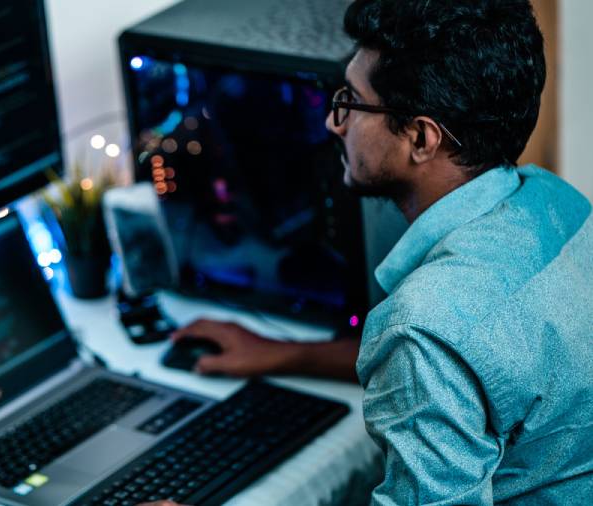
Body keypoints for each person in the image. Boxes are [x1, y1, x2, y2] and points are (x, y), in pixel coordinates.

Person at [140, 0, 593, 504]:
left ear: (420, 138)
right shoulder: (557, 203)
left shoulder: (424, 328)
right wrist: (282, 353)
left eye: (352, 103)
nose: (335, 124)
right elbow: (474, 360)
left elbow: (437, 344)